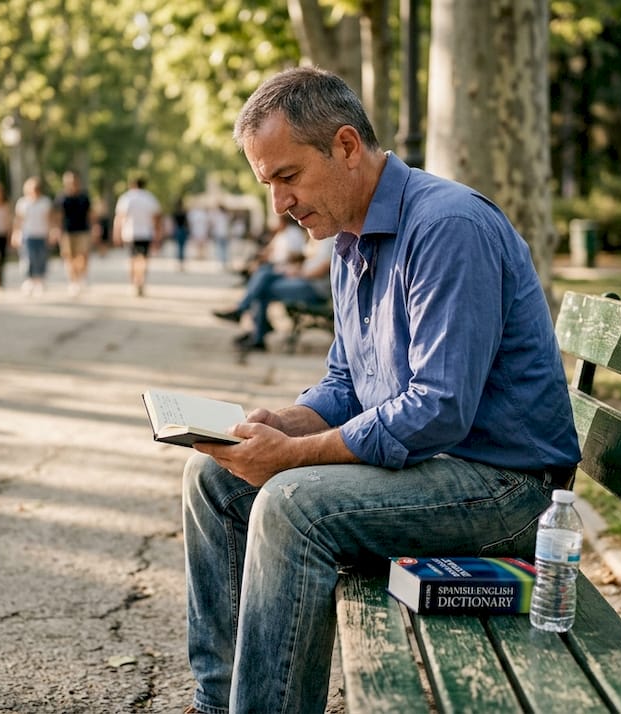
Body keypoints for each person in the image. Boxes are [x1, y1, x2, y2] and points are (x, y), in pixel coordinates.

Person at [181, 67, 580, 714]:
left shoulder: (448, 226)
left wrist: (291, 457)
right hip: (438, 470)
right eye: (267, 185)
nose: (278, 205)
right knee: (213, 479)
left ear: (344, 146)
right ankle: (217, 702)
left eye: (287, 178)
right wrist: (280, 424)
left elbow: (438, 408)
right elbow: (347, 382)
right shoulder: (348, 234)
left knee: (290, 505)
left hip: (505, 487)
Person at [211, 217, 333, 353]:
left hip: (315, 288)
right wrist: (296, 269)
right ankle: (255, 329)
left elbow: (323, 269)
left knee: (262, 288)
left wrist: (299, 273)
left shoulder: (332, 237)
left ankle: (252, 326)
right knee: (264, 275)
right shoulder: (319, 236)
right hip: (304, 279)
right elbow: (308, 260)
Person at [112, 176, 162, 297]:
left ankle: (134, 282)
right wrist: (158, 234)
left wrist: (116, 233)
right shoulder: (150, 198)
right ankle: (141, 281)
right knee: (144, 258)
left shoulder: (126, 198)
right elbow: (157, 218)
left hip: (130, 233)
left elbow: (120, 217)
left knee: (132, 258)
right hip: (146, 233)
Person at [53, 171, 97, 295]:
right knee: (69, 257)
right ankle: (73, 281)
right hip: (67, 231)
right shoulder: (61, 197)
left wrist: (95, 227)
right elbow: (57, 215)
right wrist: (56, 229)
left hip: (83, 230)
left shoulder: (84, 196)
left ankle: (81, 277)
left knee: (83, 256)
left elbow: (91, 214)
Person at [12, 177, 54, 296]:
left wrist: (51, 232)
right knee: (28, 258)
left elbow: (49, 218)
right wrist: (16, 233)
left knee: (41, 257)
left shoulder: (45, 202)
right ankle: (29, 280)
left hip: (42, 233)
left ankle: (40, 280)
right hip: (28, 234)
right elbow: (18, 220)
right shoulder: (22, 203)